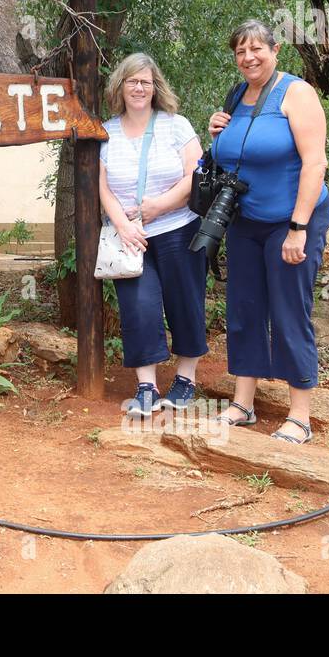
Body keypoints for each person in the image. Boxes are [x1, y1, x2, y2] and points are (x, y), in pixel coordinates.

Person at [208, 20, 329, 444]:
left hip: (292, 219)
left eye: (256, 49)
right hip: (246, 221)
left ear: (275, 51)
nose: (248, 58)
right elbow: (229, 156)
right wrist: (217, 134)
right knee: (244, 308)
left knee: (288, 310)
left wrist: (297, 229)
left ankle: (300, 415)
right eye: (241, 52)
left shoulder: (297, 93)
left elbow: (315, 164)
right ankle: (243, 404)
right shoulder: (237, 94)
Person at [98, 53, 209, 416]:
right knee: (138, 307)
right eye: (132, 81)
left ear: (156, 86)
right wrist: (123, 224)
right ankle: (146, 385)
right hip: (129, 236)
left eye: (145, 81)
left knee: (185, 301)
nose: (139, 88)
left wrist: (158, 206)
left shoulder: (176, 126)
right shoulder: (107, 131)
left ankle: (186, 379)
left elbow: (196, 175)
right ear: (120, 86)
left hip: (178, 228)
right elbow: (103, 188)